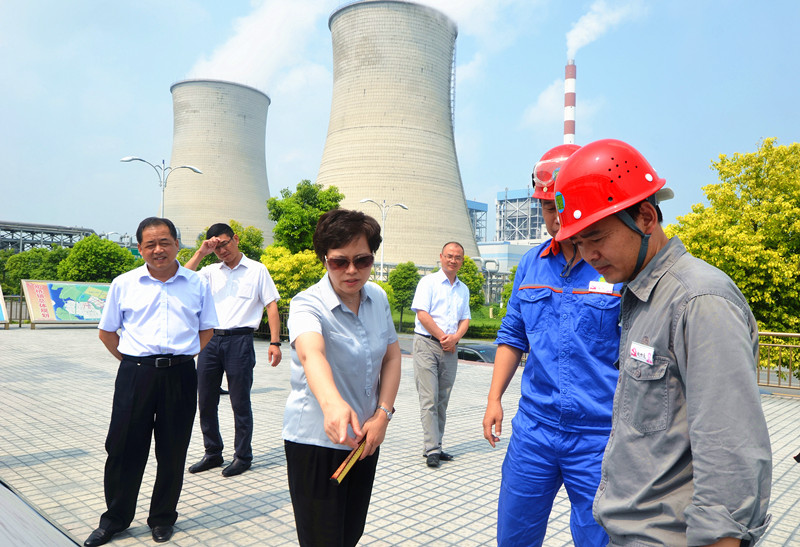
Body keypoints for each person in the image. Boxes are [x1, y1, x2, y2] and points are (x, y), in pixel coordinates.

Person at [553, 138, 772, 546]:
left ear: (646, 217)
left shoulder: (699, 300)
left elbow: (730, 455)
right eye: (579, 242)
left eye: (596, 237)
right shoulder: (640, 296)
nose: (588, 255)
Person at [482, 144, 622, 546]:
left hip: (598, 435)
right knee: (515, 535)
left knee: (598, 538)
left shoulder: (614, 266)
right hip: (535, 429)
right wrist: (494, 399)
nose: (555, 217)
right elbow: (512, 334)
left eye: (563, 205)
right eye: (546, 208)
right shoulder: (531, 264)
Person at [84, 217, 218, 547]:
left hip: (180, 375)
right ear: (140, 248)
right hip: (135, 374)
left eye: (165, 242)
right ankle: (115, 519)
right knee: (122, 448)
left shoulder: (197, 283)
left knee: (173, 450)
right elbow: (107, 332)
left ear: (177, 244)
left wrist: (181, 356)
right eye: (150, 244)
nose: (158, 250)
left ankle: (162, 518)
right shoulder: (124, 283)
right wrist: (135, 362)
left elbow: (207, 329)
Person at [282, 209, 401, 547]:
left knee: (350, 533)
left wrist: (383, 414)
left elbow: (392, 356)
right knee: (322, 538)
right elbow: (312, 354)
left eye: (362, 260)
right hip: (317, 443)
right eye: (339, 261)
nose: (351, 271)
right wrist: (333, 404)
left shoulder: (377, 297)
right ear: (324, 259)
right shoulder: (307, 304)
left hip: (366, 438)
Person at [184, 223, 282, 478]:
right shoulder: (210, 272)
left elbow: (271, 305)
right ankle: (213, 452)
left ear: (236, 239)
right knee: (205, 400)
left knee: (240, 402)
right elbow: (182, 279)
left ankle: (243, 456)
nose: (222, 251)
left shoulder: (257, 270)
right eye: (216, 248)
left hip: (240, 341)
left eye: (225, 244)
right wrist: (201, 253)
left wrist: (275, 342)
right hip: (209, 341)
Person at [411, 241, 471, 468]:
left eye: (457, 257)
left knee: (442, 400)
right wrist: (444, 337)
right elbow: (422, 314)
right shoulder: (428, 282)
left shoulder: (463, 289)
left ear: (462, 261)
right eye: (449, 256)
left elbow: (465, 319)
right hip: (427, 344)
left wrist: (454, 339)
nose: (453, 260)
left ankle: (436, 444)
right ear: (441, 257)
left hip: (450, 349)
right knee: (429, 398)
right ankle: (432, 449)